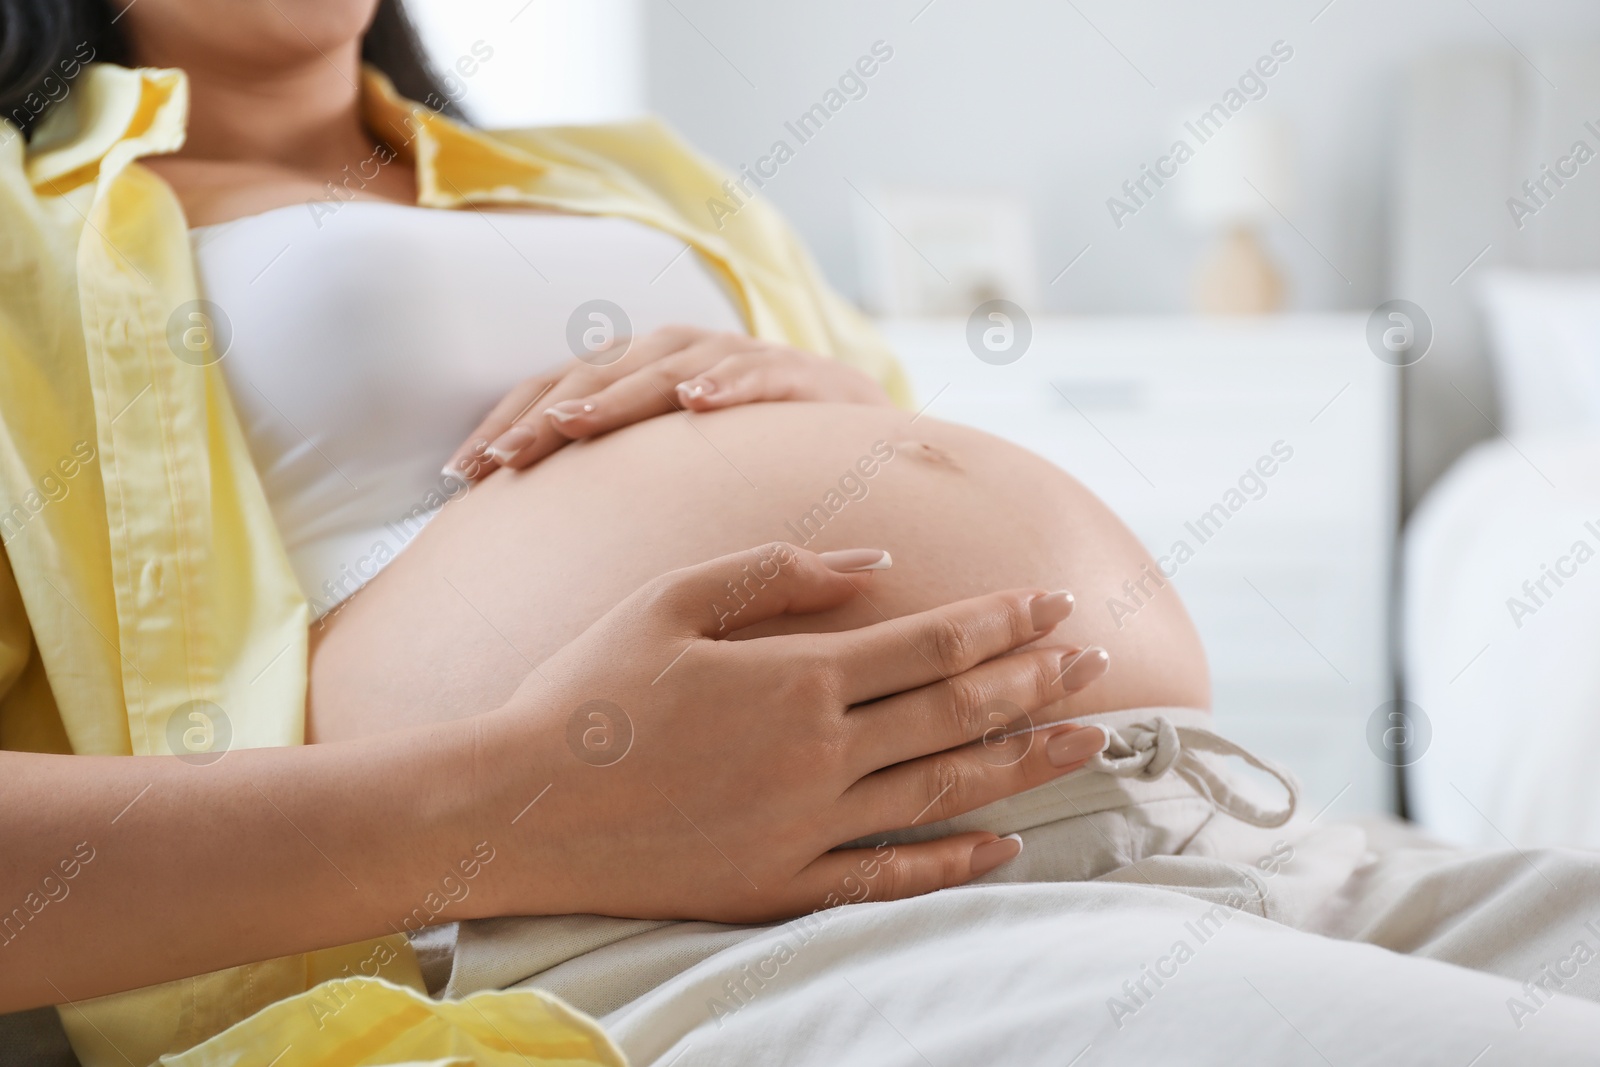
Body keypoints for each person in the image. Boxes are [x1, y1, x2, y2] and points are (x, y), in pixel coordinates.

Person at [0, 0, 1208, 1061]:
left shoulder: (648, 176)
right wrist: (515, 805)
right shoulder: (25, 228)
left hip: (1174, 804)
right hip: (646, 940)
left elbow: (894, 444)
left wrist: (819, 397)